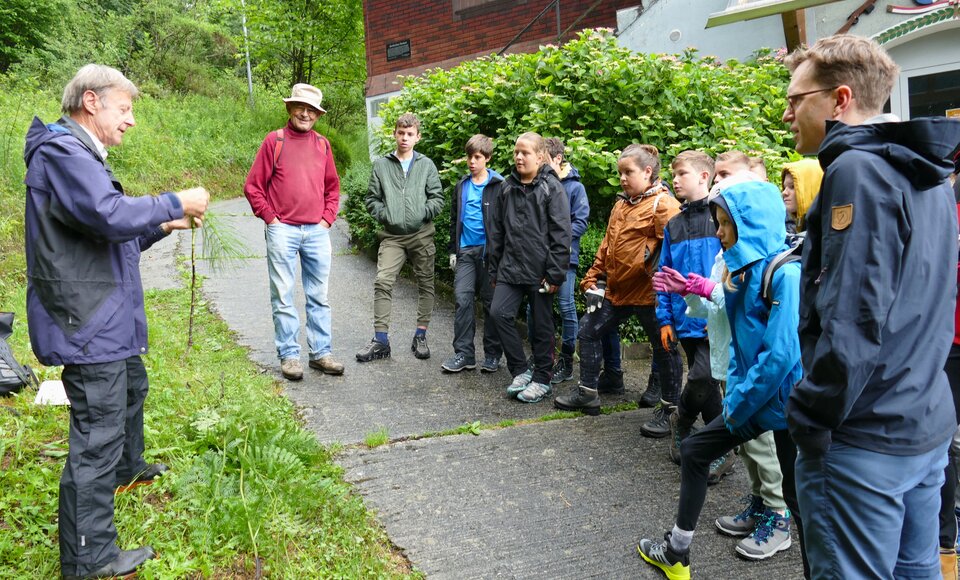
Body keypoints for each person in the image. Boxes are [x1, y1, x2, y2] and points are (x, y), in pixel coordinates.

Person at [783, 34, 960, 578]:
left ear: (839, 100)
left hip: (864, 437)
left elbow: (852, 315)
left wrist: (811, 414)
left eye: (796, 99)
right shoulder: (927, 172)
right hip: (923, 421)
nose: (787, 114)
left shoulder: (856, 171)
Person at [24, 64, 209, 579]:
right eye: (124, 110)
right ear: (91, 101)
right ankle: (89, 557)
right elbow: (107, 214)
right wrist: (173, 200)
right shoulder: (63, 151)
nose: (130, 121)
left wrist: (165, 223)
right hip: (88, 321)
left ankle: (128, 468)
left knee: (131, 388)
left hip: (106, 318)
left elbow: (109, 236)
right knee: (97, 434)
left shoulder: (79, 155)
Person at [638, 180, 802, 579]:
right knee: (696, 451)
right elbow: (724, 306)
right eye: (717, 221)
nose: (718, 232)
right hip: (761, 403)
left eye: (725, 224)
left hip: (778, 406)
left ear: (751, 224)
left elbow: (780, 355)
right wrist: (691, 286)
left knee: (800, 500)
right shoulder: (744, 270)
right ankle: (677, 552)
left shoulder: (785, 274)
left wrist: (737, 404)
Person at [554, 144, 682, 420]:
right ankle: (588, 393)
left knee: (664, 346)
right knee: (588, 331)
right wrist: (593, 276)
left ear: (648, 172)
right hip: (617, 290)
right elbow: (607, 246)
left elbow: (676, 252)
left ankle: (670, 410)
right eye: (620, 173)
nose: (622, 178)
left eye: (628, 172)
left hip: (649, 293)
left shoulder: (664, 205)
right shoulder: (621, 204)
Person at [244, 83, 344, 381]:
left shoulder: (323, 145)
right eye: (300, 107)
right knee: (283, 296)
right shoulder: (274, 141)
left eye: (311, 109)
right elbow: (253, 187)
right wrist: (271, 219)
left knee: (319, 296)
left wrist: (327, 219)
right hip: (282, 230)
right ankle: (289, 357)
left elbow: (333, 187)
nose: (305, 113)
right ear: (290, 109)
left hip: (317, 231)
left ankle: (321, 354)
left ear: (318, 114)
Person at [488, 132, 570, 404]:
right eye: (516, 152)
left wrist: (555, 272)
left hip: (541, 272)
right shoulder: (507, 187)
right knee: (498, 313)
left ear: (539, 156)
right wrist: (494, 270)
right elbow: (497, 230)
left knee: (542, 327)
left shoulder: (551, 187)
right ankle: (521, 370)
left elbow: (561, 233)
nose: (519, 157)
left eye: (525, 152)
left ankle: (543, 379)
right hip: (510, 268)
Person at [654, 151, 724, 470]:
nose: (676, 179)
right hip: (685, 320)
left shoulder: (721, 218)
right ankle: (717, 448)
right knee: (706, 386)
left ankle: (681, 420)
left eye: (682, 173)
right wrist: (665, 319)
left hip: (716, 319)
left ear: (704, 177)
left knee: (704, 376)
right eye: (674, 174)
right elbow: (663, 276)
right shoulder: (674, 225)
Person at [359, 113, 444, 362]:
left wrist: (422, 214)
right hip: (392, 237)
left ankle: (420, 335)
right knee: (383, 281)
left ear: (418, 137)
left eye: (410, 134)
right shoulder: (381, 165)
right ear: (395, 134)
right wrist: (387, 215)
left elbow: (437, 198)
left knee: (426, 283)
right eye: (401, 133)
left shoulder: (426, 165)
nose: (404, 138)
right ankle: (381, 341)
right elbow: (371, 199)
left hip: (421, 235)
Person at [441, 134, 504, 373]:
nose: (472, 161)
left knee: (491, 304)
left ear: (487, 158)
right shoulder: (462, 185)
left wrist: (501, 255)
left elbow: (506, 223)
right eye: (469, 156)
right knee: (462, 299)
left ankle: (492, 355)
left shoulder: (499, 186)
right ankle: (464, 354)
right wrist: (452, 251)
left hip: (490, 255)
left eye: (477, 157)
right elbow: (454, 220)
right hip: (466, 252)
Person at [544, 137, 590, 384]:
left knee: (565, 306)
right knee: (536, 309)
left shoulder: (575, 188)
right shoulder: (543, 182)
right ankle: (544, 357)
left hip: (565, 258)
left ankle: (567, 361)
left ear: (557, 159)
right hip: (541, 258)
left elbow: (580, 222)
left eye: (544, 159)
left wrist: (556, 239)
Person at [779, 159, 823, 234]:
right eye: (784, 187)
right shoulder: (804, 225)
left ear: (810, 188)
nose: (784, 193)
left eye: (792, 187)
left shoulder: (823, 230)